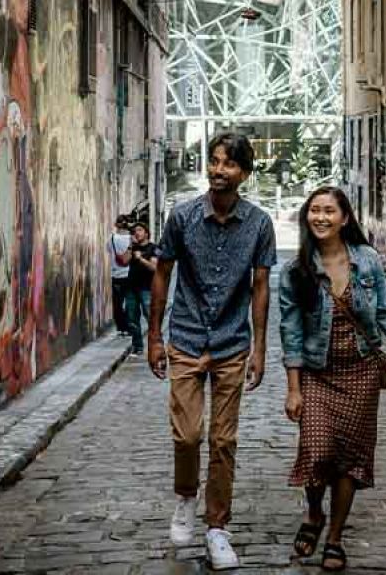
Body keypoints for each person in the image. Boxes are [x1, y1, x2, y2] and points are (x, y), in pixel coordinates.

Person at [279, 186, 386, 572]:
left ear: (345, 218)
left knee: (350, 460)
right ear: (306, 216)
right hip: (316, 373)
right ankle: (315, 513)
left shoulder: (368, 261)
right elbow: (291, 330)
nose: (321, 218)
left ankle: (334, 536)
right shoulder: (296, 271)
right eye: (314, 210)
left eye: (330, 211)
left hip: (361, 372)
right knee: (317, 453)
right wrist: (293, 388)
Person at [147, 132, 277, 570]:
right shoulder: (182, 218)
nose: (219, 171)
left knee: (223, 440)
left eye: (229, 165)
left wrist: (260, 348)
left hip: (231, 344)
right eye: (215, 162)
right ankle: (186, 497)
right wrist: (153, 336)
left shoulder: (259, 225)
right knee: (187, 434)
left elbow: (261, 289)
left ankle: (217, 527)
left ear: (244, 173)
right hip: (184, 339)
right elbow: (162, 275)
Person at [125, 222, 159, 356]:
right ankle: (138, 346)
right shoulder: (133, 248)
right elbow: (124, 261)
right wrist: (130, 247)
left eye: (139, 230)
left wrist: (140, 259)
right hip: (131, 288)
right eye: (134, 231)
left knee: (150, 317)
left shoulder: (154, 248)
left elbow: (154, 268)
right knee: (132, 318)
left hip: (147, 288)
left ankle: (154, 345)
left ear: (146, 233)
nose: (137, 233)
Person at [109, 215, 133, 337]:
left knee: (117, 303)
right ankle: (129, 327)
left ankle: (121, 328)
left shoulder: (112, 238)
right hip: (129, 275)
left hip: (116, 274)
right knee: (130, 302)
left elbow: (109, 251)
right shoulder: (132, 239)